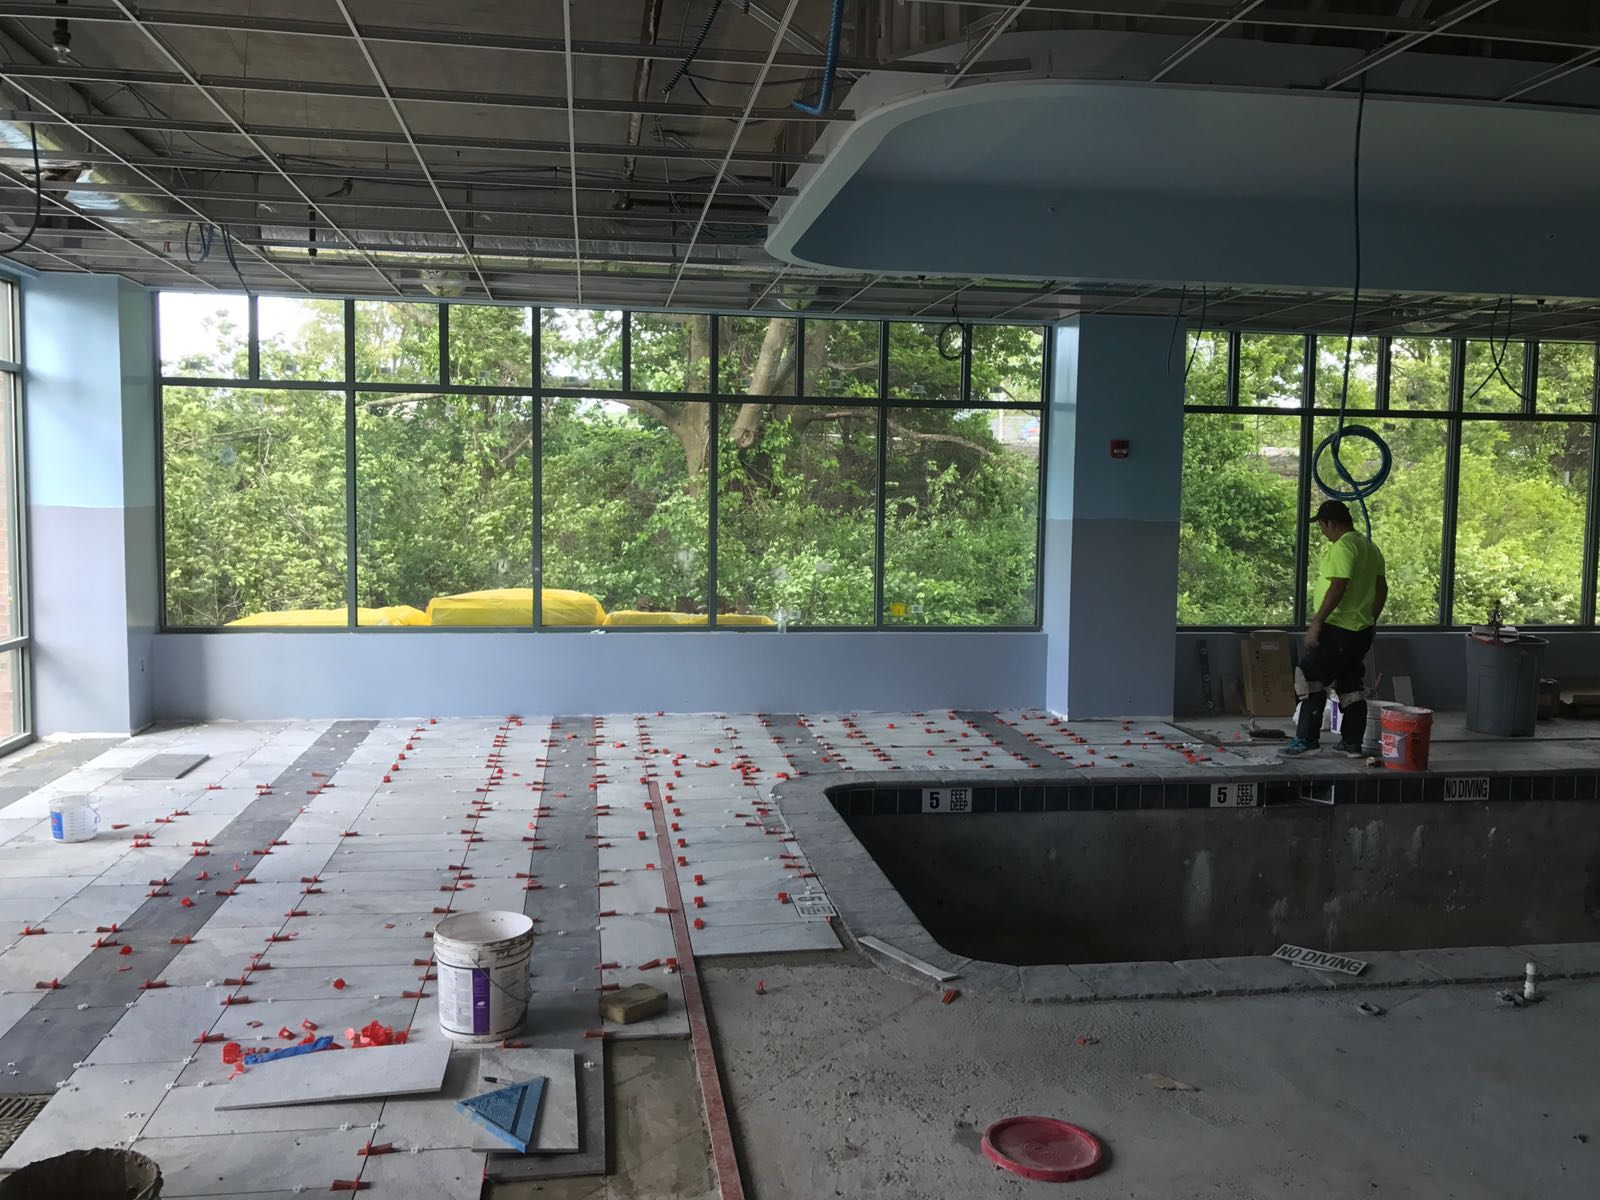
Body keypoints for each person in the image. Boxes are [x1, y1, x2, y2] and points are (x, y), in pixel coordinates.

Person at [1287, 499, 1388, 756]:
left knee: (1308, 677)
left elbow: (1338, 585)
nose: (1322, 531)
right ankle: (1352, 743)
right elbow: (1381, 589)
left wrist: (1318, 621)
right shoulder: (1370, 547)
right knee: (1350, 684)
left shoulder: (1343, 547)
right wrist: (1370, 619)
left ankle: (1307, 741)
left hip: (1338, 628)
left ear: (1331, 523)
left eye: (1322, 526)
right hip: (1360, 630)